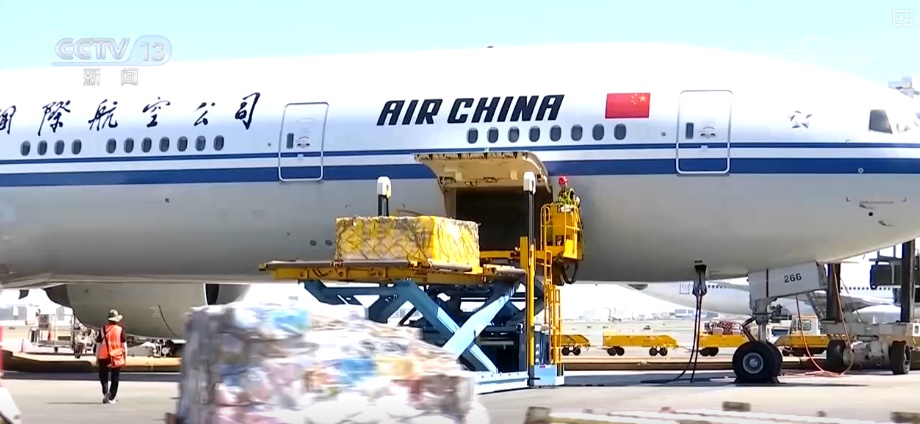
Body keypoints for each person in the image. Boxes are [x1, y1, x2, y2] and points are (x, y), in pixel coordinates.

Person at [95, 309, 126, 404]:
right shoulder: (120, 330)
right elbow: (124, 345)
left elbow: (98, 345)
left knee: (103, 376)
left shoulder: (102, 330)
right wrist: (125, 357)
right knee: (115, 377)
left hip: (103, 355)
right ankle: (111, 397)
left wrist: (97, 357)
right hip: (116, 355)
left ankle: (105, 393)